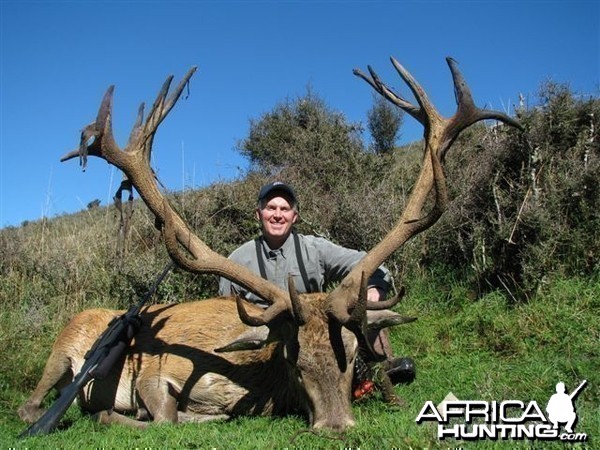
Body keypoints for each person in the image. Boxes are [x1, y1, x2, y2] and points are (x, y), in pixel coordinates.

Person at [218, 181, 415, 385]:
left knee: (363, 307)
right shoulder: (236, 261)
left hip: (314, 337)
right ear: (258, 214)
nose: (277, 215)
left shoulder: (315, 249)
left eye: (284, 209)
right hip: (268, 339)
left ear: (294, 217)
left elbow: (370, 264)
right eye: (271, 208)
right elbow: (225, 313)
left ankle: (380, 368)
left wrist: (373, 288)